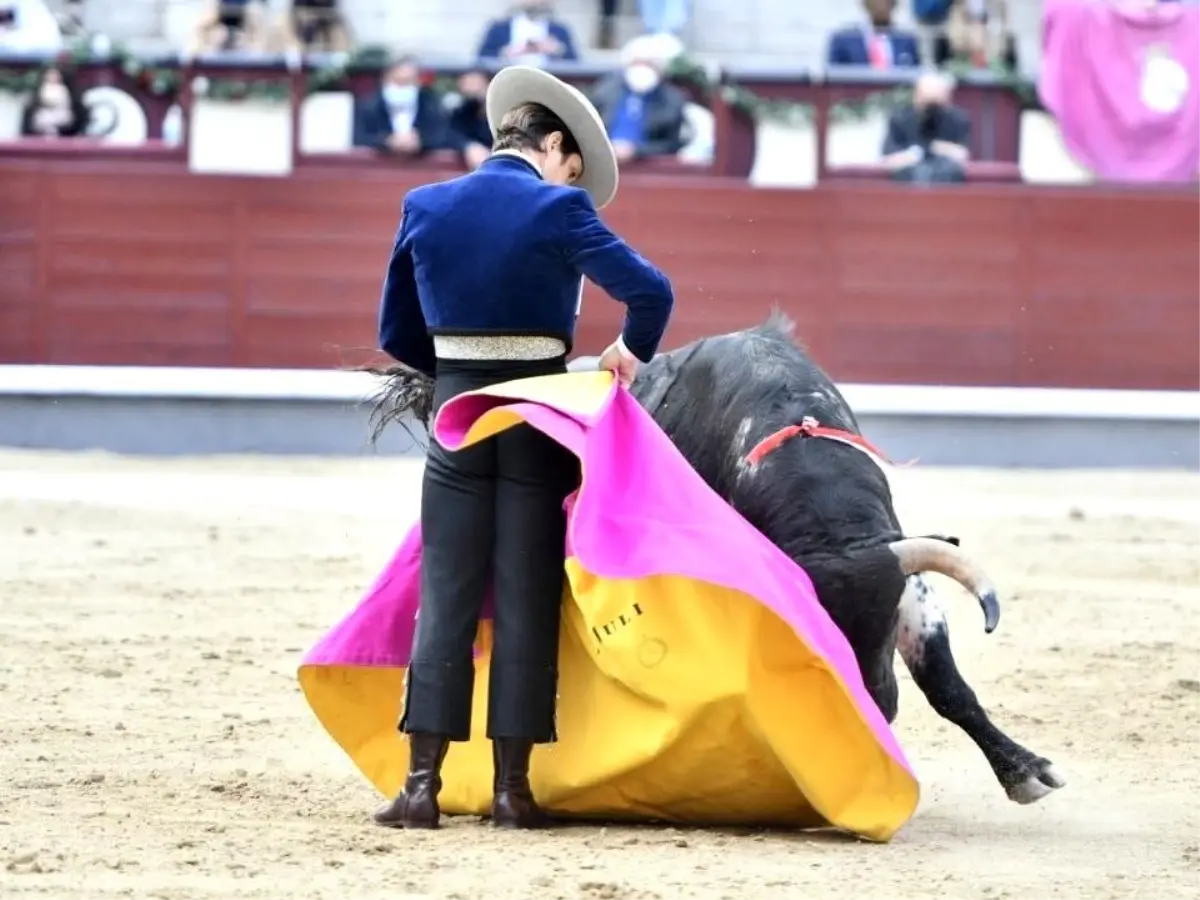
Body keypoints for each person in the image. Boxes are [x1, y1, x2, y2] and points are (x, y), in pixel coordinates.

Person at [372, 65, 674, 830]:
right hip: (538, 419)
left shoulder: (425, 203)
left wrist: (456, 374)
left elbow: (395, 331)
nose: (572, 180)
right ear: (553, 146)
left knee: (446, 593)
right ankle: (512, 792)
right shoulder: (559, 208)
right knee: (525, 595)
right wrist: (627, 351)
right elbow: (652, 292)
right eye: (573, 165)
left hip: (459, 417)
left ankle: (420, 788)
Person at [589, 33, 690, 163]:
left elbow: (671, 145)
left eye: (649, 64)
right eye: (637, 62)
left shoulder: (672, 101)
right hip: (604, 161)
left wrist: (636, 151)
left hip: (649, 166)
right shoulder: (605, 92)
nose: (642, 68)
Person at [881, 71, 971, 183]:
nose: (930, 111)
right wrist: (913, 155)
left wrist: (941, 148)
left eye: (935, 103)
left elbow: (963, 156)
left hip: (946, 183)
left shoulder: (957, 119)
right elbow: (888, 159)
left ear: (947, 99)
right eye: (926, 102)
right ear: (916, 97)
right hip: (908, 184)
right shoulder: (900, 119)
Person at [352, 56, 449, 159]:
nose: (402, 88)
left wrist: (420, 141)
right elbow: (359, 137)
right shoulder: (368, 106)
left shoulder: (430, 105)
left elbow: (442, 137)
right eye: (398, 81)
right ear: (385, 80)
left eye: (407, 82)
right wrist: (387, 141)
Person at [20, 66, 90, 138]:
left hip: (63, 124)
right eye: (50, 75)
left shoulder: (67, 92)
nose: (52, 77)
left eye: (55, 75)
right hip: (42, 124)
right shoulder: (38, 93)